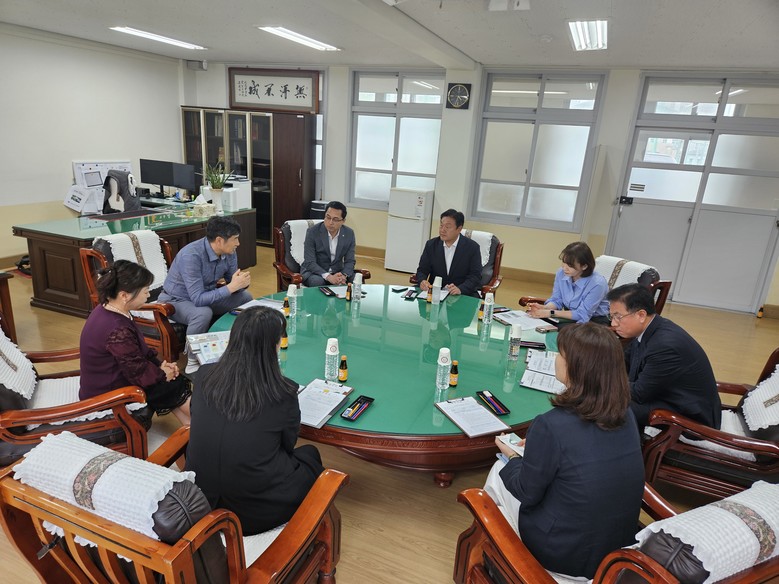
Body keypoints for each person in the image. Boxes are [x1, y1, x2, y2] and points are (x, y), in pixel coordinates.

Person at [487, 323, 644, 579]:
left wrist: (512, 456)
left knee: (499, 470)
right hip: (614, 548)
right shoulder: (626, 413)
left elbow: (527, 492)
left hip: (563, 553)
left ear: (575, 367)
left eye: (560, 354)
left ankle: (495, 560)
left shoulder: (551, 425)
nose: (556, 359)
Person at [186, 306, 324, 535]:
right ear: (273, 346)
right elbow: (288, 444)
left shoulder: (204, 374)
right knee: (310, 455)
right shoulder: (282, 392)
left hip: (200, 499)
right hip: (253, 514)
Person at [79, 260, 191, 426]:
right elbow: (137, 372)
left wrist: (162, 366)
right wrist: (162, 374)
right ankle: (201, 421)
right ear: (124, 295)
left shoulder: (108, 309)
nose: (148, 295)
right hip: (107, 395)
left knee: (172, 381)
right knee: (170, 384)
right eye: (145, 291)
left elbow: (137, 354)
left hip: (109, 380)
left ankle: (191, 427)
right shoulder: (117, 329)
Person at [607, 283, 721, 429]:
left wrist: (603, 383)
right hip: (666, 396)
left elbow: (639, 393)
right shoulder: (651, 328)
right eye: (611, 316)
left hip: (690, 416)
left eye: (618, 317)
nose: (613, 323)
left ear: (641, 315)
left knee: (603, 402)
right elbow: (625, 361)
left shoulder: (665, 346)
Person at [158, 215, 252, 373]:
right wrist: (231, 287)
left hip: (207, 295)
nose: (238, 243)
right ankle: (192, 360)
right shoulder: (191, 256)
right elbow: (197, 299)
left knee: (246, 298)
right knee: (202, 313)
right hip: (177, 300)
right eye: (235, 239)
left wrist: (242, 283)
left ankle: (237, 345)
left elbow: (232, 283)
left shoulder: (230, 252)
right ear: (219, 240)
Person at [526, 241, 609, 325]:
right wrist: (545, 308)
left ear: (584, 266)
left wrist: (550, 313)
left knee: (556, 328)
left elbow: (582, 315)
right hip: (570, 317)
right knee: (536, 320)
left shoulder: (597, 284)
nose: (564, 268)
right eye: (564, 262)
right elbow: (557, 299)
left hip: (594, 322)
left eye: (570, 265)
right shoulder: (561, 273)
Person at [415, 209, 482, 297]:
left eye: (447, 227)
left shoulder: (472, 248)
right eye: (441, 225)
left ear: (459, 229)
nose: (442, 230)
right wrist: (422, 281)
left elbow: (475, 276)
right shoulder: (431, 245)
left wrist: (461, 289)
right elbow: (422, 270)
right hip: (435, 292)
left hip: (462, 293)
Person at [301, 201, 356, 287]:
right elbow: (309, 262)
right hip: (315, 272)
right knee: (317, 282)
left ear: (343, 221)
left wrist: (343, 275)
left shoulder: (349, 233)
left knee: (357, 279)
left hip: (337, 271)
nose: (330, 222)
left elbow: (350, 260)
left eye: (335, 219)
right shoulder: (312, 232)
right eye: (328, 217)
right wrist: (329, 277)